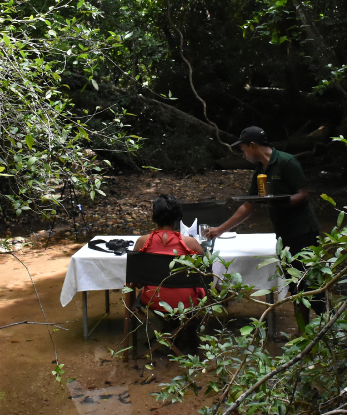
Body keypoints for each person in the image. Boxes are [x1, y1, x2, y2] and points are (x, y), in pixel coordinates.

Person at [206, 126, 323, 331]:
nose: (243, 155)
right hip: (283, 235)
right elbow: (249, 205)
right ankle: (304, 333)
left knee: (313, 284)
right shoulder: (260, 171)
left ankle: (330, 326)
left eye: (244, 150)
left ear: (253, 145)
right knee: (295, 286)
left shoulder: (286, 162)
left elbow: (303, 194)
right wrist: (220, 230)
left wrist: (280, 202)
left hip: (303, 232)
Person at [133, 194, 206, 311]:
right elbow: (203, 277)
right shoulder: (191, 244)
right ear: (177, 217)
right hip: (186, 302)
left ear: (154, 217)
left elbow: (138, 283)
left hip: (153, 300)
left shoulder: (142, 242)